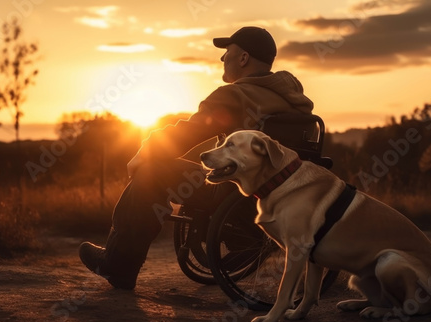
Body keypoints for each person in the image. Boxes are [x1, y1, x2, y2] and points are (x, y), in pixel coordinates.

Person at [79, 26, 315, 289]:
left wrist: (145, 150)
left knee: (151, 171)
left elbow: (186, 134)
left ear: (244, 58)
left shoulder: (235, 95)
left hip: (233, 193)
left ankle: (118, 263)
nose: (222, 58)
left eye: (227, 52)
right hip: (278, 198)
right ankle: (245, 240)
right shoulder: (296, 102)